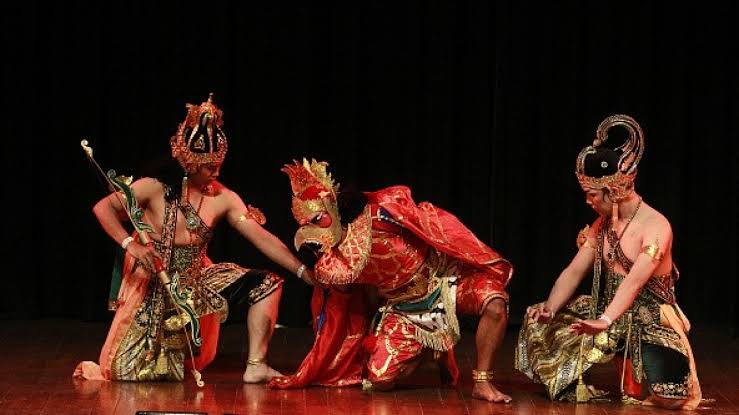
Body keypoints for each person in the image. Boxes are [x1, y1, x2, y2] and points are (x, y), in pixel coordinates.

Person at [74, 94, 313, 383]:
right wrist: (132, 245)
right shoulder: (153, 188)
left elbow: (261, 238)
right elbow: (103, 208)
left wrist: (303, 271)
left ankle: (256, 365)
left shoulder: (223, 197)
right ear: (188, 162)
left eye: (218, 164)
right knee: (126, 372)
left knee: (267, 284)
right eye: (208, 166)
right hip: (156, 280)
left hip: (197, 278)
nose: (216, 172)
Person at [268, 159, 514, 403]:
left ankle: (482, 382)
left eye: (317, 219)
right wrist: (319, 361)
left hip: (447, 279)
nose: (312, 230)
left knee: (495, 304)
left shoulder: (380, 213)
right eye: (306, 224)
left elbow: (429, 222)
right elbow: (339, 314)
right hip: (406, 308)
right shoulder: (333, 265)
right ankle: (430, 346)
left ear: (332, 205)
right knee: (380, 381)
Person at [516, 114, 701, 409]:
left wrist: (604, 320)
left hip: (649, 318)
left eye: (591, 195)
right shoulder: (601, 225)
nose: (588, 201)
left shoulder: (655, 227)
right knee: (538, 323)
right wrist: (550, 308)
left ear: (613, 191)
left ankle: (628, 358)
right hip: (607, 312)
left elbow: (635, 281)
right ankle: (617, 355)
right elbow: (574, 270)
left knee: (671, 398)